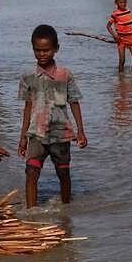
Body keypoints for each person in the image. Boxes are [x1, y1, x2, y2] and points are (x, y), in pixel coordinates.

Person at [19, 24, 88, 207]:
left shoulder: (65, 75)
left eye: (46, 50)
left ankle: (66, 212)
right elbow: (28, 107)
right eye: (38, 50)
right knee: (31, 172)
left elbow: (74, 102)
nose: (42, 54)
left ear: (56, 49)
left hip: (61, 133)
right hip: (36, 133)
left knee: (63, 173)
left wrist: (80, 131)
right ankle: (31, 212)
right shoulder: (28, 77)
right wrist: (23, 137)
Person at [106, 0, 132, 72]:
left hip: (131, 39)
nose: (123, 4)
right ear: (116, 3)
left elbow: (128, 26)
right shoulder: (115, 14)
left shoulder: (128, 11)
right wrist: (114, 36)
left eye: (124, 2)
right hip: (121, 40)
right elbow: (108, 26)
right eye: (120, 2)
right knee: (122, 60)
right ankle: (120, 77)